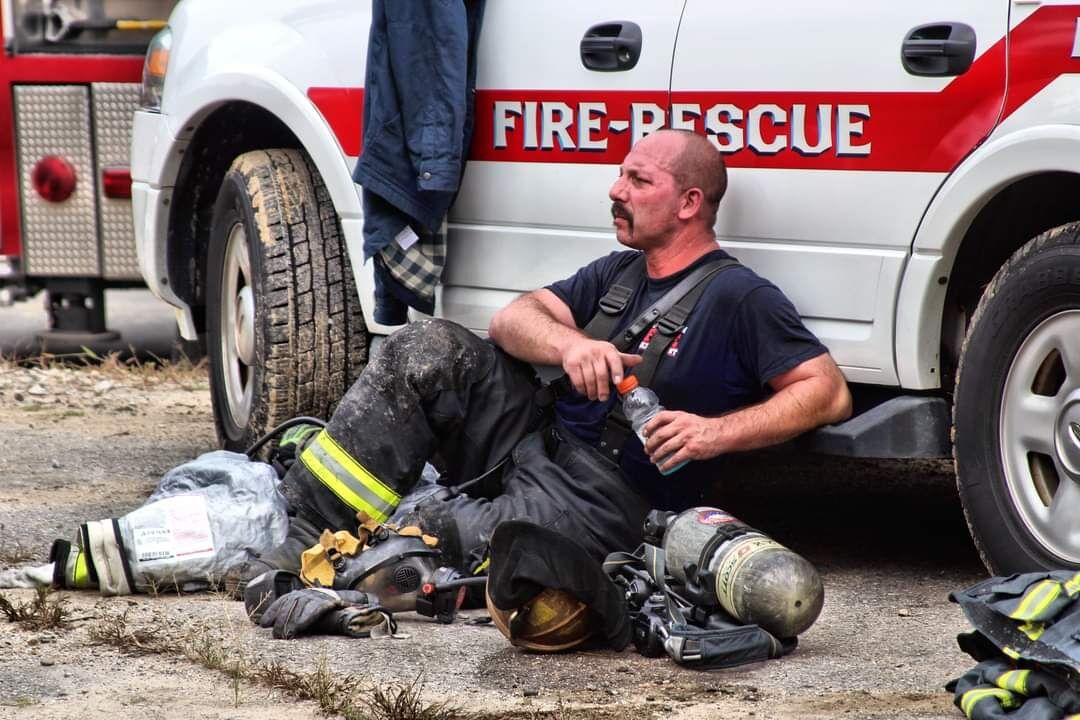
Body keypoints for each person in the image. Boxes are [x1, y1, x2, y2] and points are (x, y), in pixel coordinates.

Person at [241, 129, 852, 584]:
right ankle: (296, 534)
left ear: (690, 203)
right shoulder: (620, 272)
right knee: (426, 348)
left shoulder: (737, 297)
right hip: (534, 443)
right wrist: (573, 343)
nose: (617, 190)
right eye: (621, 175)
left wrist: (713, 433)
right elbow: (513, 319)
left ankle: (350, 549)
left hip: (602, 505)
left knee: (427, 537)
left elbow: (827, 391)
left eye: (639, 182)